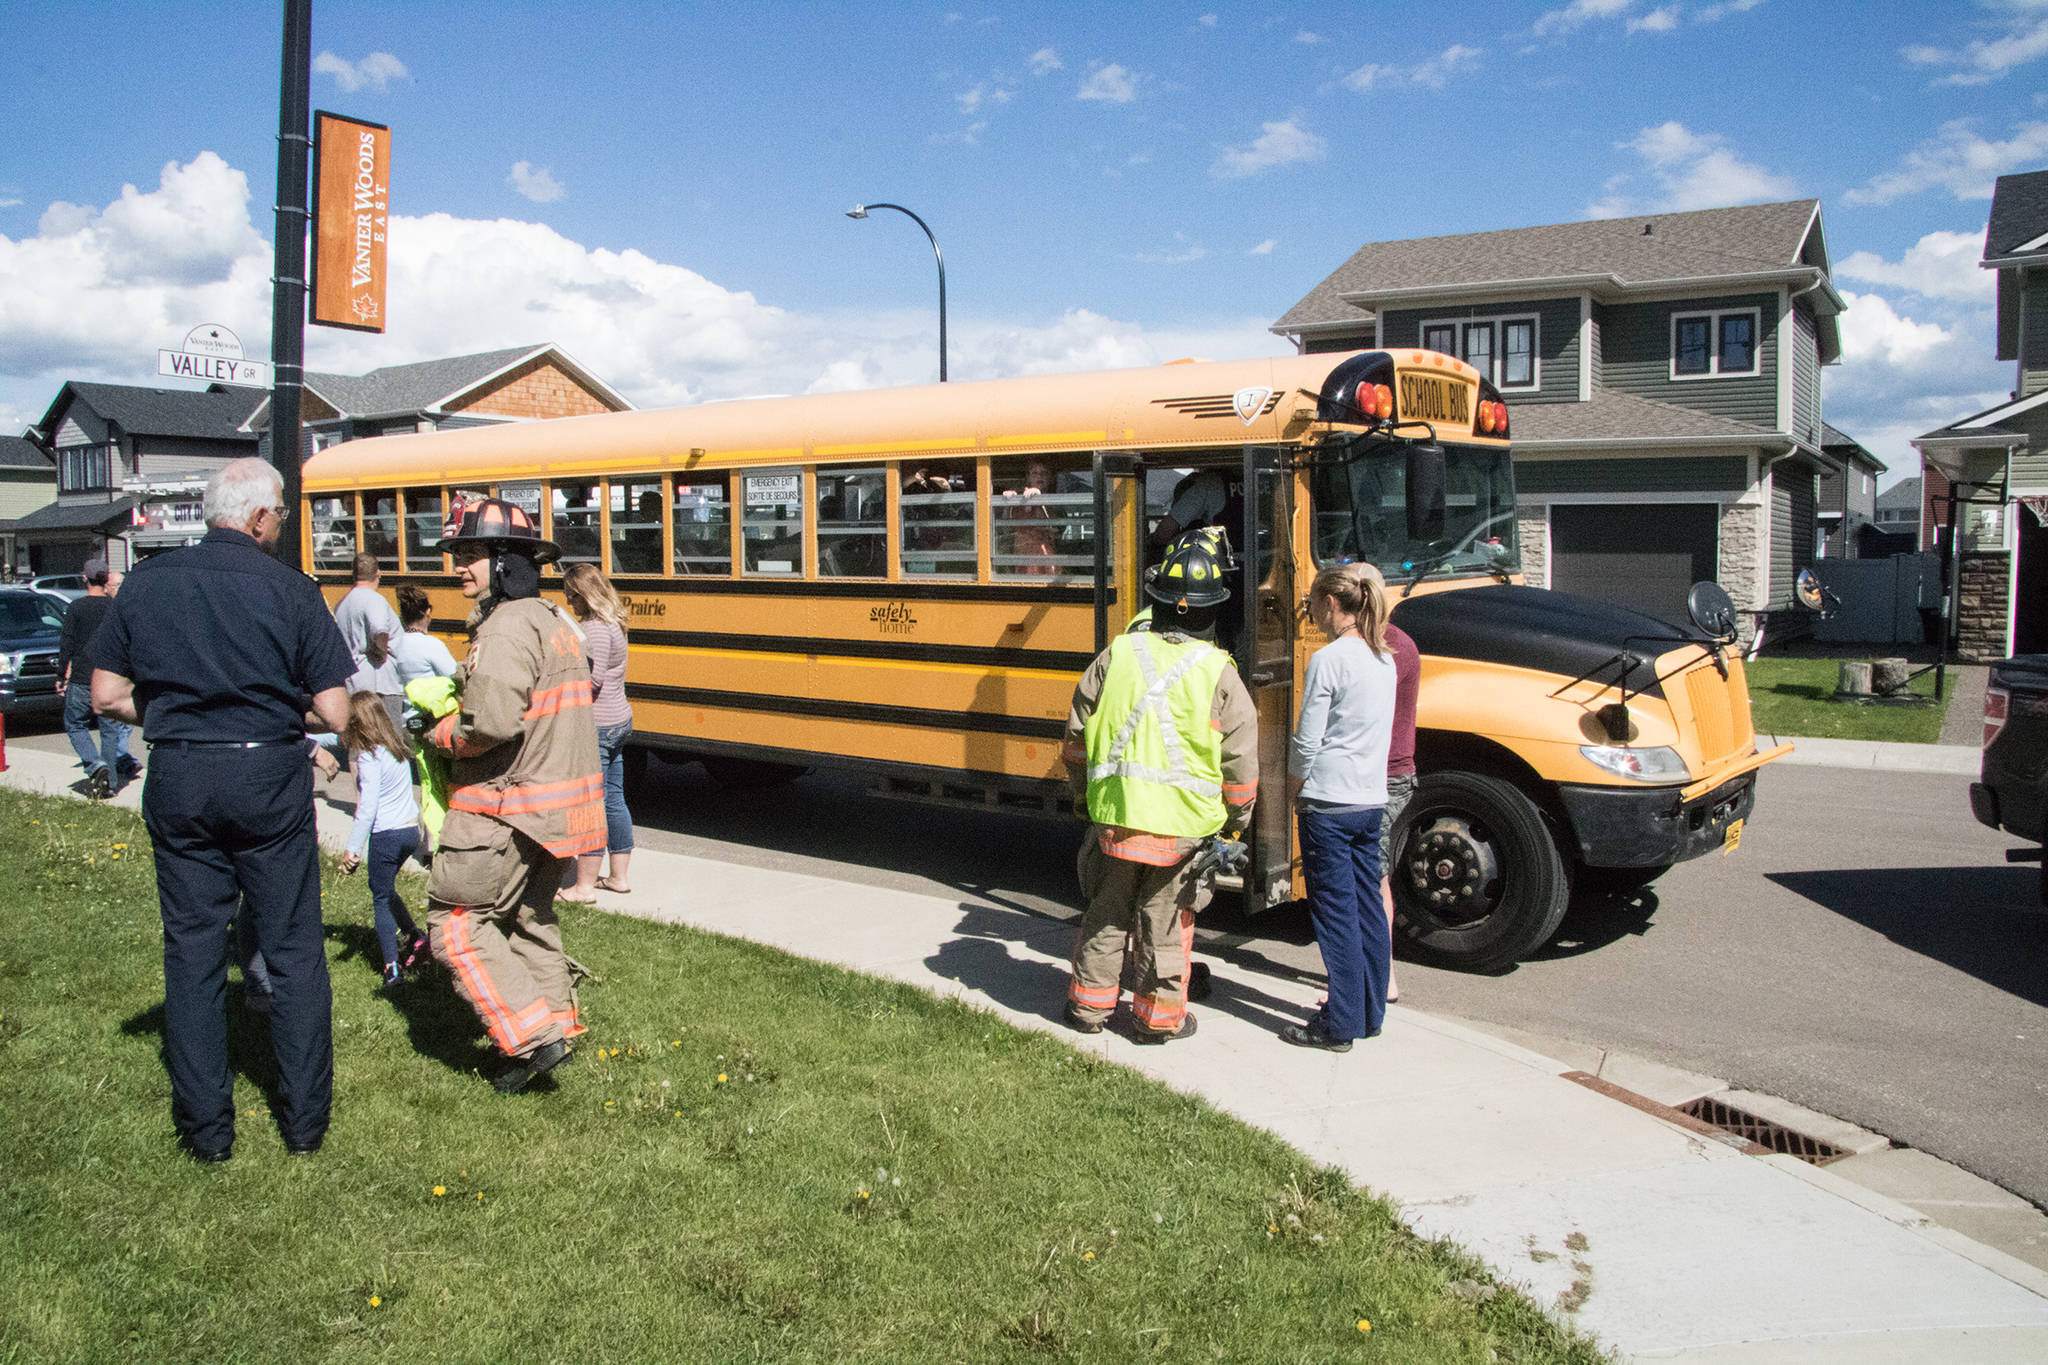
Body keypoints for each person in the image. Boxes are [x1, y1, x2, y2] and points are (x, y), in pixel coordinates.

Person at [91, 458, 354, 1162]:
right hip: (266, 771)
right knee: (295, 947)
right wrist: (280, 703)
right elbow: (334, 707)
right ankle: (304, 1127)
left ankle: (206, 1135)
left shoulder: (146, 583)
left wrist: (180, 709)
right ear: (261, 517)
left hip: (180, 770)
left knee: (193, 950)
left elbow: (107, 693)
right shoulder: (292, 590)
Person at [421, 497, 604, 1094]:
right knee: (529, 919)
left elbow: (491, 725)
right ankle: (552, 1032)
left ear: (504, 563)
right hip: (560, 810)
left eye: (470, 555)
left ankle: (532, 1039)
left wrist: (437, 731)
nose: (458, 568)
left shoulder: (503, 627)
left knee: (456, 924)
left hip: (506, 809)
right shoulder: (555, 621)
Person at [1061, 527, 1258, 1043]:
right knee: (1165, 927)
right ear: (1214, 611)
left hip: (1116, 821)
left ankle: (1088, 1009)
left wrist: (1085, 797)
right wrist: (1236, 826)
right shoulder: (1220, 672)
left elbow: (1077, 739)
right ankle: (1158, 1021)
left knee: (1106, 918)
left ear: (1156, 601)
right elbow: (1240, 766)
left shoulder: (1116, 655)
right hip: (1182, 833)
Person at [1282, 564, 1398, 1052]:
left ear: (1332, 604)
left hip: (1328, 802)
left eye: (1312, 602)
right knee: (1368, 905)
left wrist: (1293, 785)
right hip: (1369, 800)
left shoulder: (1329, 660)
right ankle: (1369, 1012)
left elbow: (1308, 740)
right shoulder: (1384, 659)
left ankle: (1339, 1022)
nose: (1309, 611)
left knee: (1335, 914)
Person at [1354, 564, 1421, 1006]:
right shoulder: (1395, 642)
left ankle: (1383, 976)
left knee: (1373, 879)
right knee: (1370, 875)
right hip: (1389, 774)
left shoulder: (1384, 648)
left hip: (1382, 777)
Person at [337, 691, 430, 988]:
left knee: (379, 898)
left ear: (357, 722)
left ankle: (392, 970)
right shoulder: (397, 749)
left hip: (386, 835)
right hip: (408, 832)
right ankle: (415, 937)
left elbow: (367, 808)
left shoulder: (369, 757)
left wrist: (351, 849)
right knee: (386, 889)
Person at [559, 563, 635, 900]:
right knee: (614, 799)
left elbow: (593, 681)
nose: (569, 601)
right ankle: (618, 878)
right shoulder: (613, 622)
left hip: (599, 726)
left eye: (571, 595)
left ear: (584, 594)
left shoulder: (597, 630)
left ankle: (584, 886)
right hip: (617, 721)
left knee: (592, 804)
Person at [56, 557, 136, 798]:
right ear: (106, 580)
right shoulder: (116, 607)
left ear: (85, 578)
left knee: (75, 724)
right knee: (110, 731)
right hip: (110, 677)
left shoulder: (77, 607)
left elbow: (66, 644)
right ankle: (110, 784)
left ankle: (94, 764)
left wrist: (61, 675)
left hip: (81, 677)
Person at [333, 553, 407, 735]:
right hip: (381, 682)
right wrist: (381, 653)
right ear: (378, 573)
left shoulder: (343, 603)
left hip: (354, 681)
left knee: (361, 738)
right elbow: (380, 630)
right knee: (390, 738)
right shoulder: (374, 599)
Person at [390, 584, 460, 689]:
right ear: (428, 612)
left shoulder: (394, 644)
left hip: (405, 705)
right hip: (432, 705)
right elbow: (455, 677)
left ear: (402, 615)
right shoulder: (432, 645)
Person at [997, 458, 1059, 575]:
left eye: (1044, 473)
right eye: (1035, 473)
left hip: (1043, 554)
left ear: (1049, 478)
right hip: (1021, 553)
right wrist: (1007, 504)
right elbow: (1005, 529)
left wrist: (1040, 500)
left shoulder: (1053, 500)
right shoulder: (1021, 498)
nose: (1039, 476)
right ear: (1029, 478)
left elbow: (1054, 528)